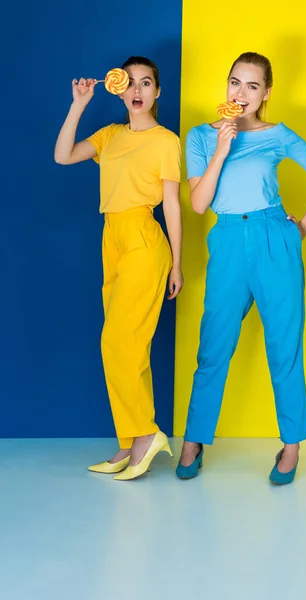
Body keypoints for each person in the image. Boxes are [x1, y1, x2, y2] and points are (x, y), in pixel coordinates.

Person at [176, 52, 306, 484]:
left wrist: (301, 226)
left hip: (274, 240)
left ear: (266, 93)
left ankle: (290, 446)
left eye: (252, 86)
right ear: (226, 86)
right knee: (214, 346)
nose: (241, 93)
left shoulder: (279, 135)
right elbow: (198, 204)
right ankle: (194, 439)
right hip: (228, 240)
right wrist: (222, 148)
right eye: (234, 82)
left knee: (284, 348)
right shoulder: (199, 136)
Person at [55, 56, 183, 481]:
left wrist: (177, 264)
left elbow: (171, 205)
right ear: (119, 89)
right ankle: (129, 443)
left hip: (146, 239)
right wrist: (79, 104)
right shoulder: (110, 135)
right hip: (112, 239)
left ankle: (146, 434)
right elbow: (63, 156)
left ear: (157, 92)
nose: (138, 91)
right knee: (129, 349)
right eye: (130, 83)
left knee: (117, 341)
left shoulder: (166, 141)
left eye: (146, 83)